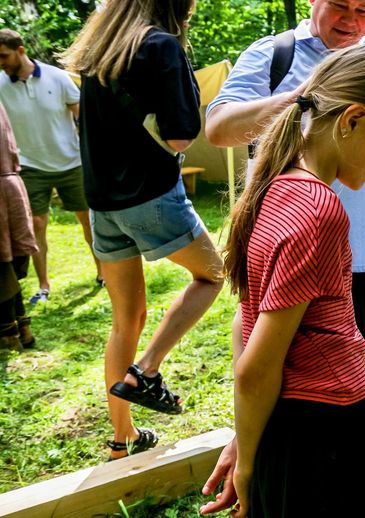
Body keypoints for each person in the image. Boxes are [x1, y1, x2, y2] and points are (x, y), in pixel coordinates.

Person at [212, 44, 365, 516]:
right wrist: (247, 463)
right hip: (329, 434)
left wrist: (249, 435)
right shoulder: (320, 210)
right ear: (352, 119)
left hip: (289, 427)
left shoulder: (274, 184)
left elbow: (242, 322)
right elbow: (257, 366)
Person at [204, 0, 365, 396]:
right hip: (292, 246)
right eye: (339, 6)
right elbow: (218, 128)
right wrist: (303, 98)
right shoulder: (276, 53)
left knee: (341, 382)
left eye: (363, 10)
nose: (351, 20)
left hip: (360, 255)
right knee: (275, 372)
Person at [62, 0, 225, 459]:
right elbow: (181, 136)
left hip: (102, 205)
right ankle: (147, 371)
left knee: (125, 319)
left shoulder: (99, 48)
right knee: (213, 274)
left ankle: (122, 438)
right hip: (150, 196)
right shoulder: (161, 45)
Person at [0, 29, 101, 303]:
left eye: (4, 56)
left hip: (71, 163)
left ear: (20, 50)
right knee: (35, 225)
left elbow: (83, 117)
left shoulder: (57, 77)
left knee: (88, 221)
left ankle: (102, 272)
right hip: (30, 167)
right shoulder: (0, 85)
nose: (1, 62)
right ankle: (43, 286)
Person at [0, 100, 37, 350]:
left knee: (3, 266)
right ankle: (21, 327)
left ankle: (7, 334)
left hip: (5, 183)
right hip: (9, 185)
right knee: (6, 264)